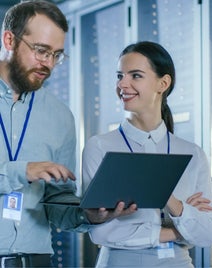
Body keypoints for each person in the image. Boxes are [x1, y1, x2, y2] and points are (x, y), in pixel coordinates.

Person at [0, 1, 136, 267]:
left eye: (57, 55)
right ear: (9, 40)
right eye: (41, 51)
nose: (48, 64)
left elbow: (56, 201)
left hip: (38, 261)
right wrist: (22, 171)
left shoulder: (60, 116)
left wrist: (87, 215)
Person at [82, 41, 212, 267]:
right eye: (120, 76)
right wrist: (179, 230)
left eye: (135, 75)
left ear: (163, 83)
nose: (122, 84)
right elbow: (101, 233)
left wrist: (172, 201)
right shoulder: (99, 147)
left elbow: (208, 234)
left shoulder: (192, 154)